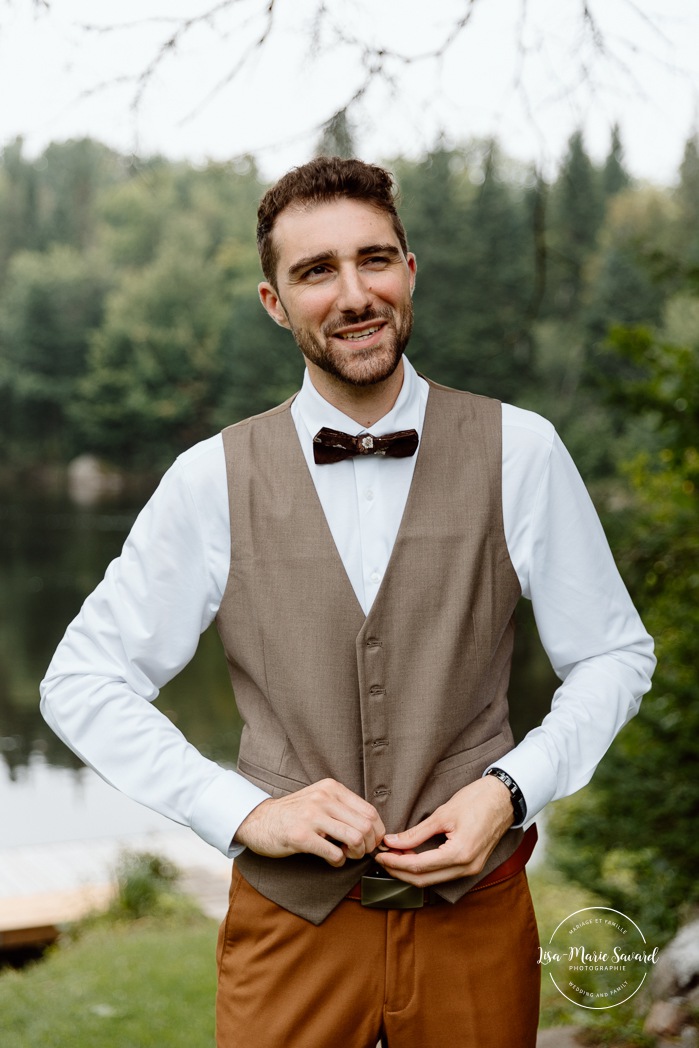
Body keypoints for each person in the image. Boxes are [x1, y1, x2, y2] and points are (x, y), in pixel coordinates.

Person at [40, 156, 655, 1048]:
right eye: (315, 271)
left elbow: (611, 654)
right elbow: (81, 681)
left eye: (373, 259)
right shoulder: (210, 478)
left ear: (410, 271)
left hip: (474, 916)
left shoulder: (521, 450)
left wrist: (510, 790)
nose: (353, 292)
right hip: (289, 928)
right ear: (274, 302)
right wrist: (240, 810)